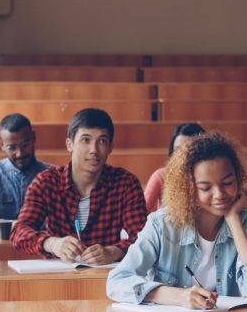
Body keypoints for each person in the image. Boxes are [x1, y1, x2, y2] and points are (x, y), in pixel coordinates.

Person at [107, 132, 247, 308]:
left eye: (227, 183)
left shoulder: (244, 222)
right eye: (205, 187)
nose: (219, 194)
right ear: (189, 189)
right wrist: (177, 296)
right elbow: (117, 282)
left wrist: (233, 219)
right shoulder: (161, 225)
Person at [11, 108, 147, 264]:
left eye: (102, 141)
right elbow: (18, 232)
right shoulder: (46, 182)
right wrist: (52, 243)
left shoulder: (125, 183)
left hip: (107, 276)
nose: (93, 150)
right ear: (70, 144)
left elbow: (144, 238)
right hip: (59, 274)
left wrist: (115, 251)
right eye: (85, 140)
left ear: (110, 147)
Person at [144, 123, 205, 212]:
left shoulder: (210, 177)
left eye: (190, 149)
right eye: (178, 150)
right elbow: (141, 211)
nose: (183, 155)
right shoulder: (161, 175)